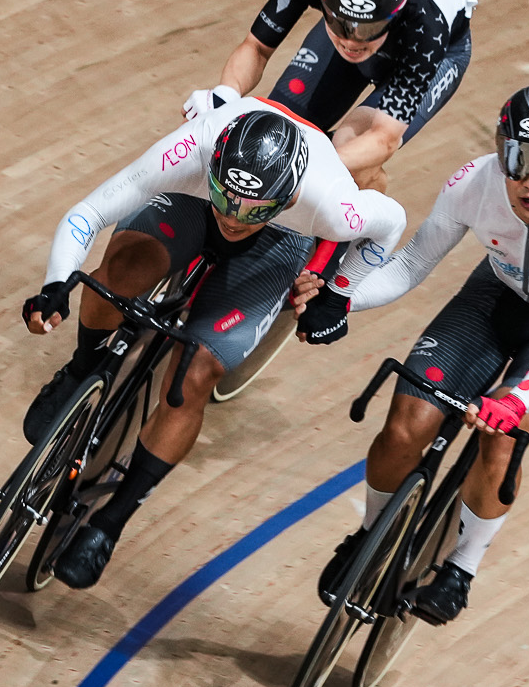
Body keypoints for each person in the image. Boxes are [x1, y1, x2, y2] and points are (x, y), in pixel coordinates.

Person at [20, 89, 405, 590]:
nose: (233, 217)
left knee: (195, 372)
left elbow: (390, 221)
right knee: (115, 276)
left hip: (280, 239)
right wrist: (54, 286)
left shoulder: (329, 203)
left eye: (250, 209)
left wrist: (338, 292)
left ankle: (110, 523)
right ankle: (81, 368)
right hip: (190, 199)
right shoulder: (193, 148)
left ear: (287, 197)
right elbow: (86, 215)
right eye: (229, 200)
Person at [307, 84, 529, 624]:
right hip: (491, 298)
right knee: (406, 422)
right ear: (499, 150)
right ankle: (368, 535)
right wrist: (343, 299)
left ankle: (462, 567)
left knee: (504, 432)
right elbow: (411, 265)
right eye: (518, 158)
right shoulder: (473, 183)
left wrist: (518, 398)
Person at [194, 0, 477, 192]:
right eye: (339, 23)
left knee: (352, 156)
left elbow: (384, 138)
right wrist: (226, 94)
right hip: (377, 24)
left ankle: (362, 241)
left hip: (435, 55)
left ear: (397, 13)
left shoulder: (427, 26)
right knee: (274, 129)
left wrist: (300, 167)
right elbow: (257, 47)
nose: (352, 42)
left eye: (368, 30)